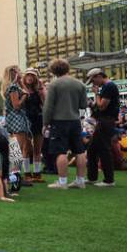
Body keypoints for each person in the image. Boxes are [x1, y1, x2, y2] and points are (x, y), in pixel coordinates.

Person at [44, 59, 88, 190]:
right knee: (79, 151)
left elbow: (48, 106)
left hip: (59, 121)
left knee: (60, 151)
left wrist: (45, 122)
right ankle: (80, 181)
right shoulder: (80, 84)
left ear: (53, 71)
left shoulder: (54, 85)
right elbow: (83, 105)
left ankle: (62, 182)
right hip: (75, 121)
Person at [85, 68, 119, 188]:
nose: (93, 84)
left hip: (106, 120)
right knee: (92, 149)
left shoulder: (109, 87)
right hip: (104, 120)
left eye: (93, 80)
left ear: (99, 76)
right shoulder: (106, 87)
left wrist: (96, 93)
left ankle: (109, 180)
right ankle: (92, 177)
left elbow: (101, 106)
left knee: (104, 149)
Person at [2, 66, 31, 177]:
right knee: (17, 151)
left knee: (18, 150)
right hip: (17, 119)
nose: (21, 72)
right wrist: (24, 96)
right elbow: (16, 105)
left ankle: (15, 177)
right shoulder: (13, 87)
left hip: (14, 119)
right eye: (18, 70)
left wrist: (21, 84)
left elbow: (26, 91)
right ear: (14, 72)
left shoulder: (11, 86)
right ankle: (15, 177)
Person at [21, 68, 46, 181]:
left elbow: (45, 104)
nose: (30, 77)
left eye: (32, 75)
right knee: (26, 148)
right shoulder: (21, 90)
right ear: (24, 77)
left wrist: (42, 91)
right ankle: (26, 173)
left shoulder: (39, 90)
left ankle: (37, 173)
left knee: (38, 148)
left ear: (35, 78)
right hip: (25, 120)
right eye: (28, 75)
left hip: (38, 119)